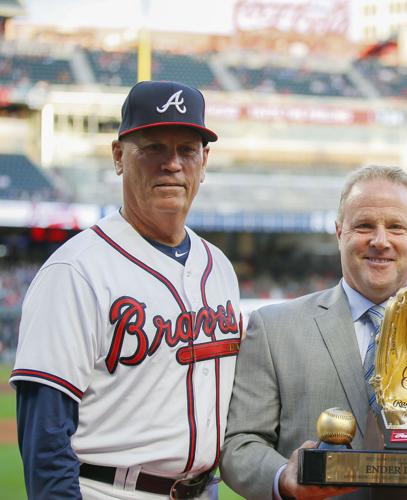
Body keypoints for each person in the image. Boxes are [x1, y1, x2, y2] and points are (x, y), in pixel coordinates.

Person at [11, 80, 243, 499]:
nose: (172, 163)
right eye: (153, 147)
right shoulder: (75, 271)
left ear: (204, 161)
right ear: (119, 155)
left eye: (187, 149)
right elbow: (45, 436)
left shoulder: (220, 267)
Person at [220, 165, 407, 500]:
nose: (380, 241)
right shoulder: (273, 329)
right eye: (364, 226)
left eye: (396, 227)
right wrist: (283, 477)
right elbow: (240, 445)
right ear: (339, 232)